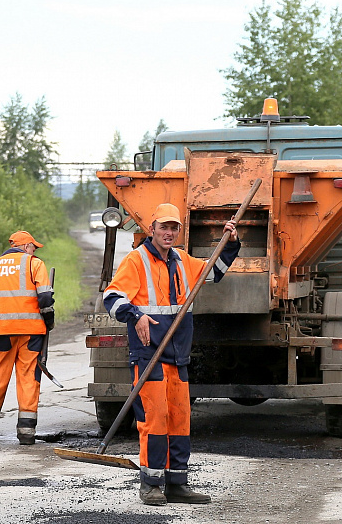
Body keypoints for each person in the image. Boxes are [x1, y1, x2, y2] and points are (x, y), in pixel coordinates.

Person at [103, 202, 240, 505]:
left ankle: (177, 483)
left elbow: (214, 273)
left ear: (179, 231)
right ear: (151, 229)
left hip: (178, 355)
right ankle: (151, 484)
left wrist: (231, 243)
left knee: (180, 418)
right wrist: (135, 315)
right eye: (163, 227)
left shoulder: (183, 261)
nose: (168, 232)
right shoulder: (136, 261)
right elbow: (111, 297)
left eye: (173, 227)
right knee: (155, 419)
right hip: (149, 354)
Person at [0, 231, 55, 445]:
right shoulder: (34, 264)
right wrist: (49, 320)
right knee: (28, 376)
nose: (34, 251)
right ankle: (26, 431)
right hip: (30, 331)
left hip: (0, 331)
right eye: (33, 247)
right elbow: (45, 298)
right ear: (26, 246)